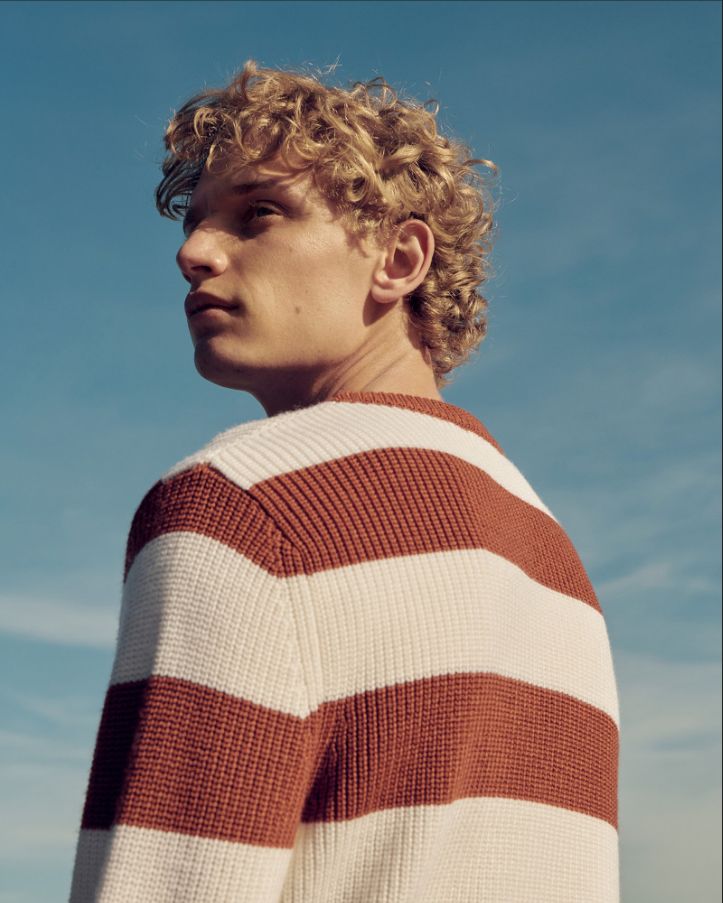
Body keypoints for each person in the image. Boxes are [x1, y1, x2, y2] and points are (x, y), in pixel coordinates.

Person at [68, 60, 620, 902]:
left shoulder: (241, 504)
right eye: (194, 220)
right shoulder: (553, 563)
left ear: (398, 259)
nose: (192, 253)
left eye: (258, 213)